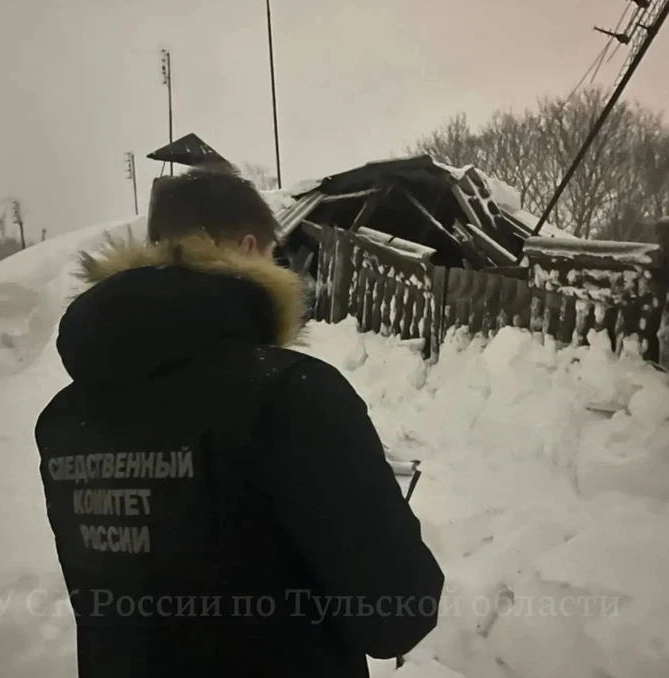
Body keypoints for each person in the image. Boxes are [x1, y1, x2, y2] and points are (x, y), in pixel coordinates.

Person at [35, 169, 444, 678]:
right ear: (250, 247)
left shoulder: (63, 419)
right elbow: (397, 614)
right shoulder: (289, 393)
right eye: (274, 254)